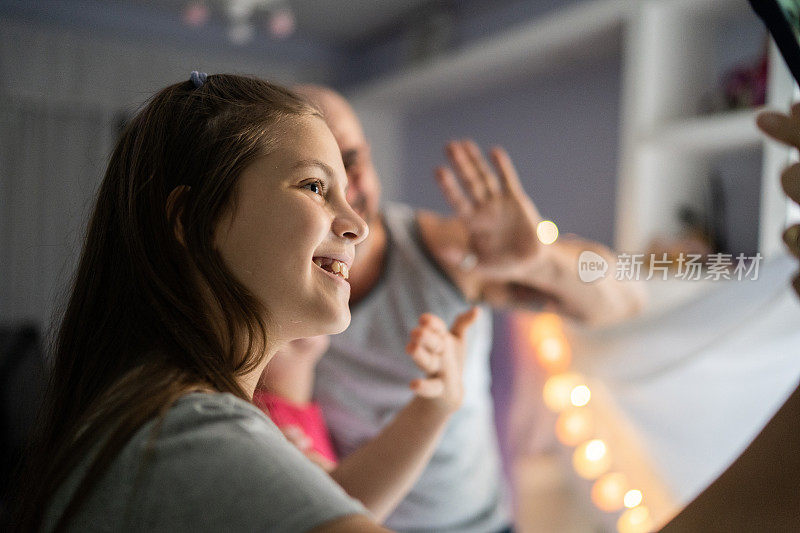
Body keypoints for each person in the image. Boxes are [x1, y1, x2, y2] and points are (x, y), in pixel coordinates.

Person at [12, 73, 479, 532]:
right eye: (315, 187)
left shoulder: (164, 419)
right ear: (194, 218)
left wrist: (435, 406)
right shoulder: (192, 436)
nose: (357, 223)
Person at [292, 85, 646, 532]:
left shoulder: (441, 251)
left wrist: (542, 262)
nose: (346, 187)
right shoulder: (280, 290)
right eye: (317, 179)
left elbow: (627, 301)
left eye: (352, 158)